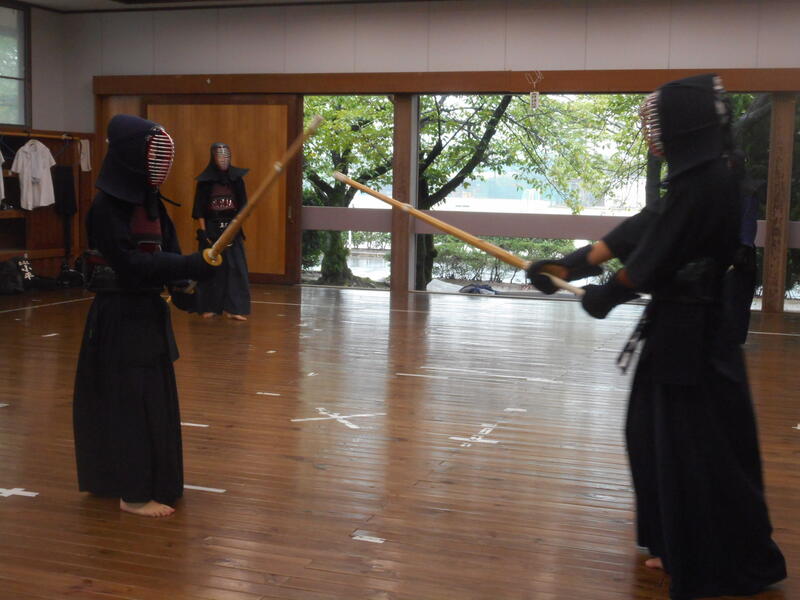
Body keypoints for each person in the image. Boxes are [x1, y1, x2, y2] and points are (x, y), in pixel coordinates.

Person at [527, 74, 786, 600]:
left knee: (695, 449)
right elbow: (642, 227)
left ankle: (716, 561)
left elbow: (655, 257)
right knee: (651, 437)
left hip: (696, 341)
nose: (652, 134)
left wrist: (606, 294)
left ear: (684, 125)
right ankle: (675, 543)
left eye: (659, 123)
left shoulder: (710, 182)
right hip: (677, 334)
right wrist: (571, 265)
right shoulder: (698, 179)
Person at [73, 114, 218, 518]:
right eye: (153, 154)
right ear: (130, 156)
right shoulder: (105, 208)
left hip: (148, 315)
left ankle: (148, 482)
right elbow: (130, 264)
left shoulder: (152, 205)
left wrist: (188, 284)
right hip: (119, 316)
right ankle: (133, 494)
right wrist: (186, 264)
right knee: (129, 405)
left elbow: (168, 255)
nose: (160, 163)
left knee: (154, 401)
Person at [192, 143, 251, 321]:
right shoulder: (205, 182)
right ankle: (209, 307)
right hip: (211, 229)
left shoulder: (236, 180)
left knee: (236, 268)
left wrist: (236, 226)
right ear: (213, 158)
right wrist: (203, 233)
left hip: (232, 228)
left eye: (226, 156)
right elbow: (199, 210)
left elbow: (243, 208)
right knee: (210, 269)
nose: (223, 160)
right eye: (220, 156)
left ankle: (234, 308)